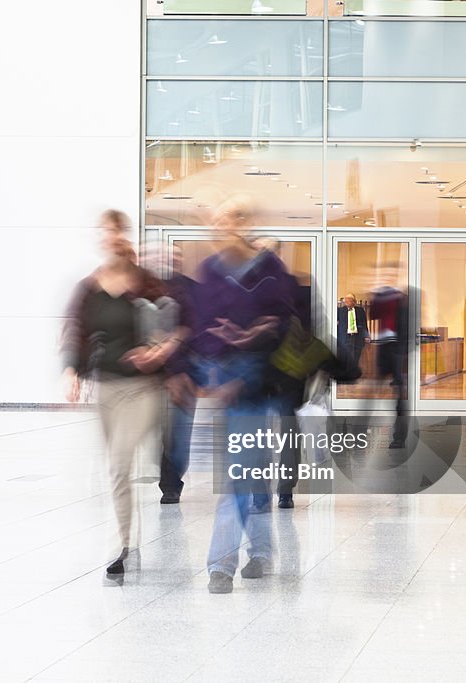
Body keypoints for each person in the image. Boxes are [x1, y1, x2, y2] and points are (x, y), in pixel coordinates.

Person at [166, 197, 298, 593]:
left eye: (225, 220)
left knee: (239, 471)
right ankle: (261, 552)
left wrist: (256, 333)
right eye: (214, 222)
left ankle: (221, 563)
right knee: (250, 472)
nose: (217, 227)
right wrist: (205, 367)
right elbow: (202, 326)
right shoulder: (210, 271)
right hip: (225, 380)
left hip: (258, 382)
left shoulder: (270, 269)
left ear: (243, 223)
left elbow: (286, 320)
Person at [62, 214, 182, 579]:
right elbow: (77, 331)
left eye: (114, 230)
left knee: (118, 461)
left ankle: (119, 545)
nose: (108, 237)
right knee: (116, 471)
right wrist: (72, 371)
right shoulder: (89, 288)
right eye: (102, 231)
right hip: (106, 388)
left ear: (123, 235)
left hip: (144, 390)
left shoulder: (146, 284)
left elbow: (176, 325)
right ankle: (127, 540)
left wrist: (160, 351)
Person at [157, 244, 196, 504]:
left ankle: (173, 480)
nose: (173, 259)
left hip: (185, 373)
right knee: (162, 429)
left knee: (179, 432)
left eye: (177, 255)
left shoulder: (193, 290)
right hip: (156, 372)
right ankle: (168, 482)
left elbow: (198, 330)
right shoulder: (152, 288)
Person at [369, 265, 410, 449]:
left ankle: (399, 437)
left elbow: (406, 326)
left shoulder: (402, 299)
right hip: (385, 347)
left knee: (399, 396)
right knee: (373, 390)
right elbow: (373, 315)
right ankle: (360, 434)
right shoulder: (382, 298)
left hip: (396, 349)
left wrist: (403, 351)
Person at [336, 293, 369, 369]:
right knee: (345, 357)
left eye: (349, 299)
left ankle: (353, 372)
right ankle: (345, 374)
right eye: (346, 299)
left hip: (357, 337)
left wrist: (366, 336)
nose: (347, 301)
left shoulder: (360, 311)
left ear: (354, 301)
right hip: (345, 337)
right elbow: (336, 323)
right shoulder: (340, 311)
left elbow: (364, 324)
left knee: (356, 356)